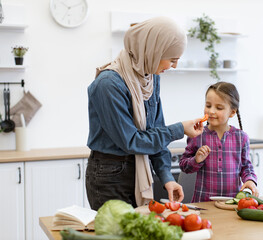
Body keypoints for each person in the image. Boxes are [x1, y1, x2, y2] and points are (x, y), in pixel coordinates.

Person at [86, 16, 204, 210]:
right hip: (109, 176)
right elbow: (132, 140)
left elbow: (155, 131)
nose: (174, 66)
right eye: (172, 60)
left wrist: (167, 178)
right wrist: (179, 129)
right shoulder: (108, 84)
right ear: (154, 52)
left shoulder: (150, 77)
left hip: (139, 168)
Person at [179, 81, 258, 202]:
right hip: (203, 203)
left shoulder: (241, 137)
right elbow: (184, 166)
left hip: (232, 203)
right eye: (208, 105)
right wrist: (196, 159)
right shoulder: (197, 135)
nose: (211, 111)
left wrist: (250, 180)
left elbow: (246, 166)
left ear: (232, 112)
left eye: (219, 108)